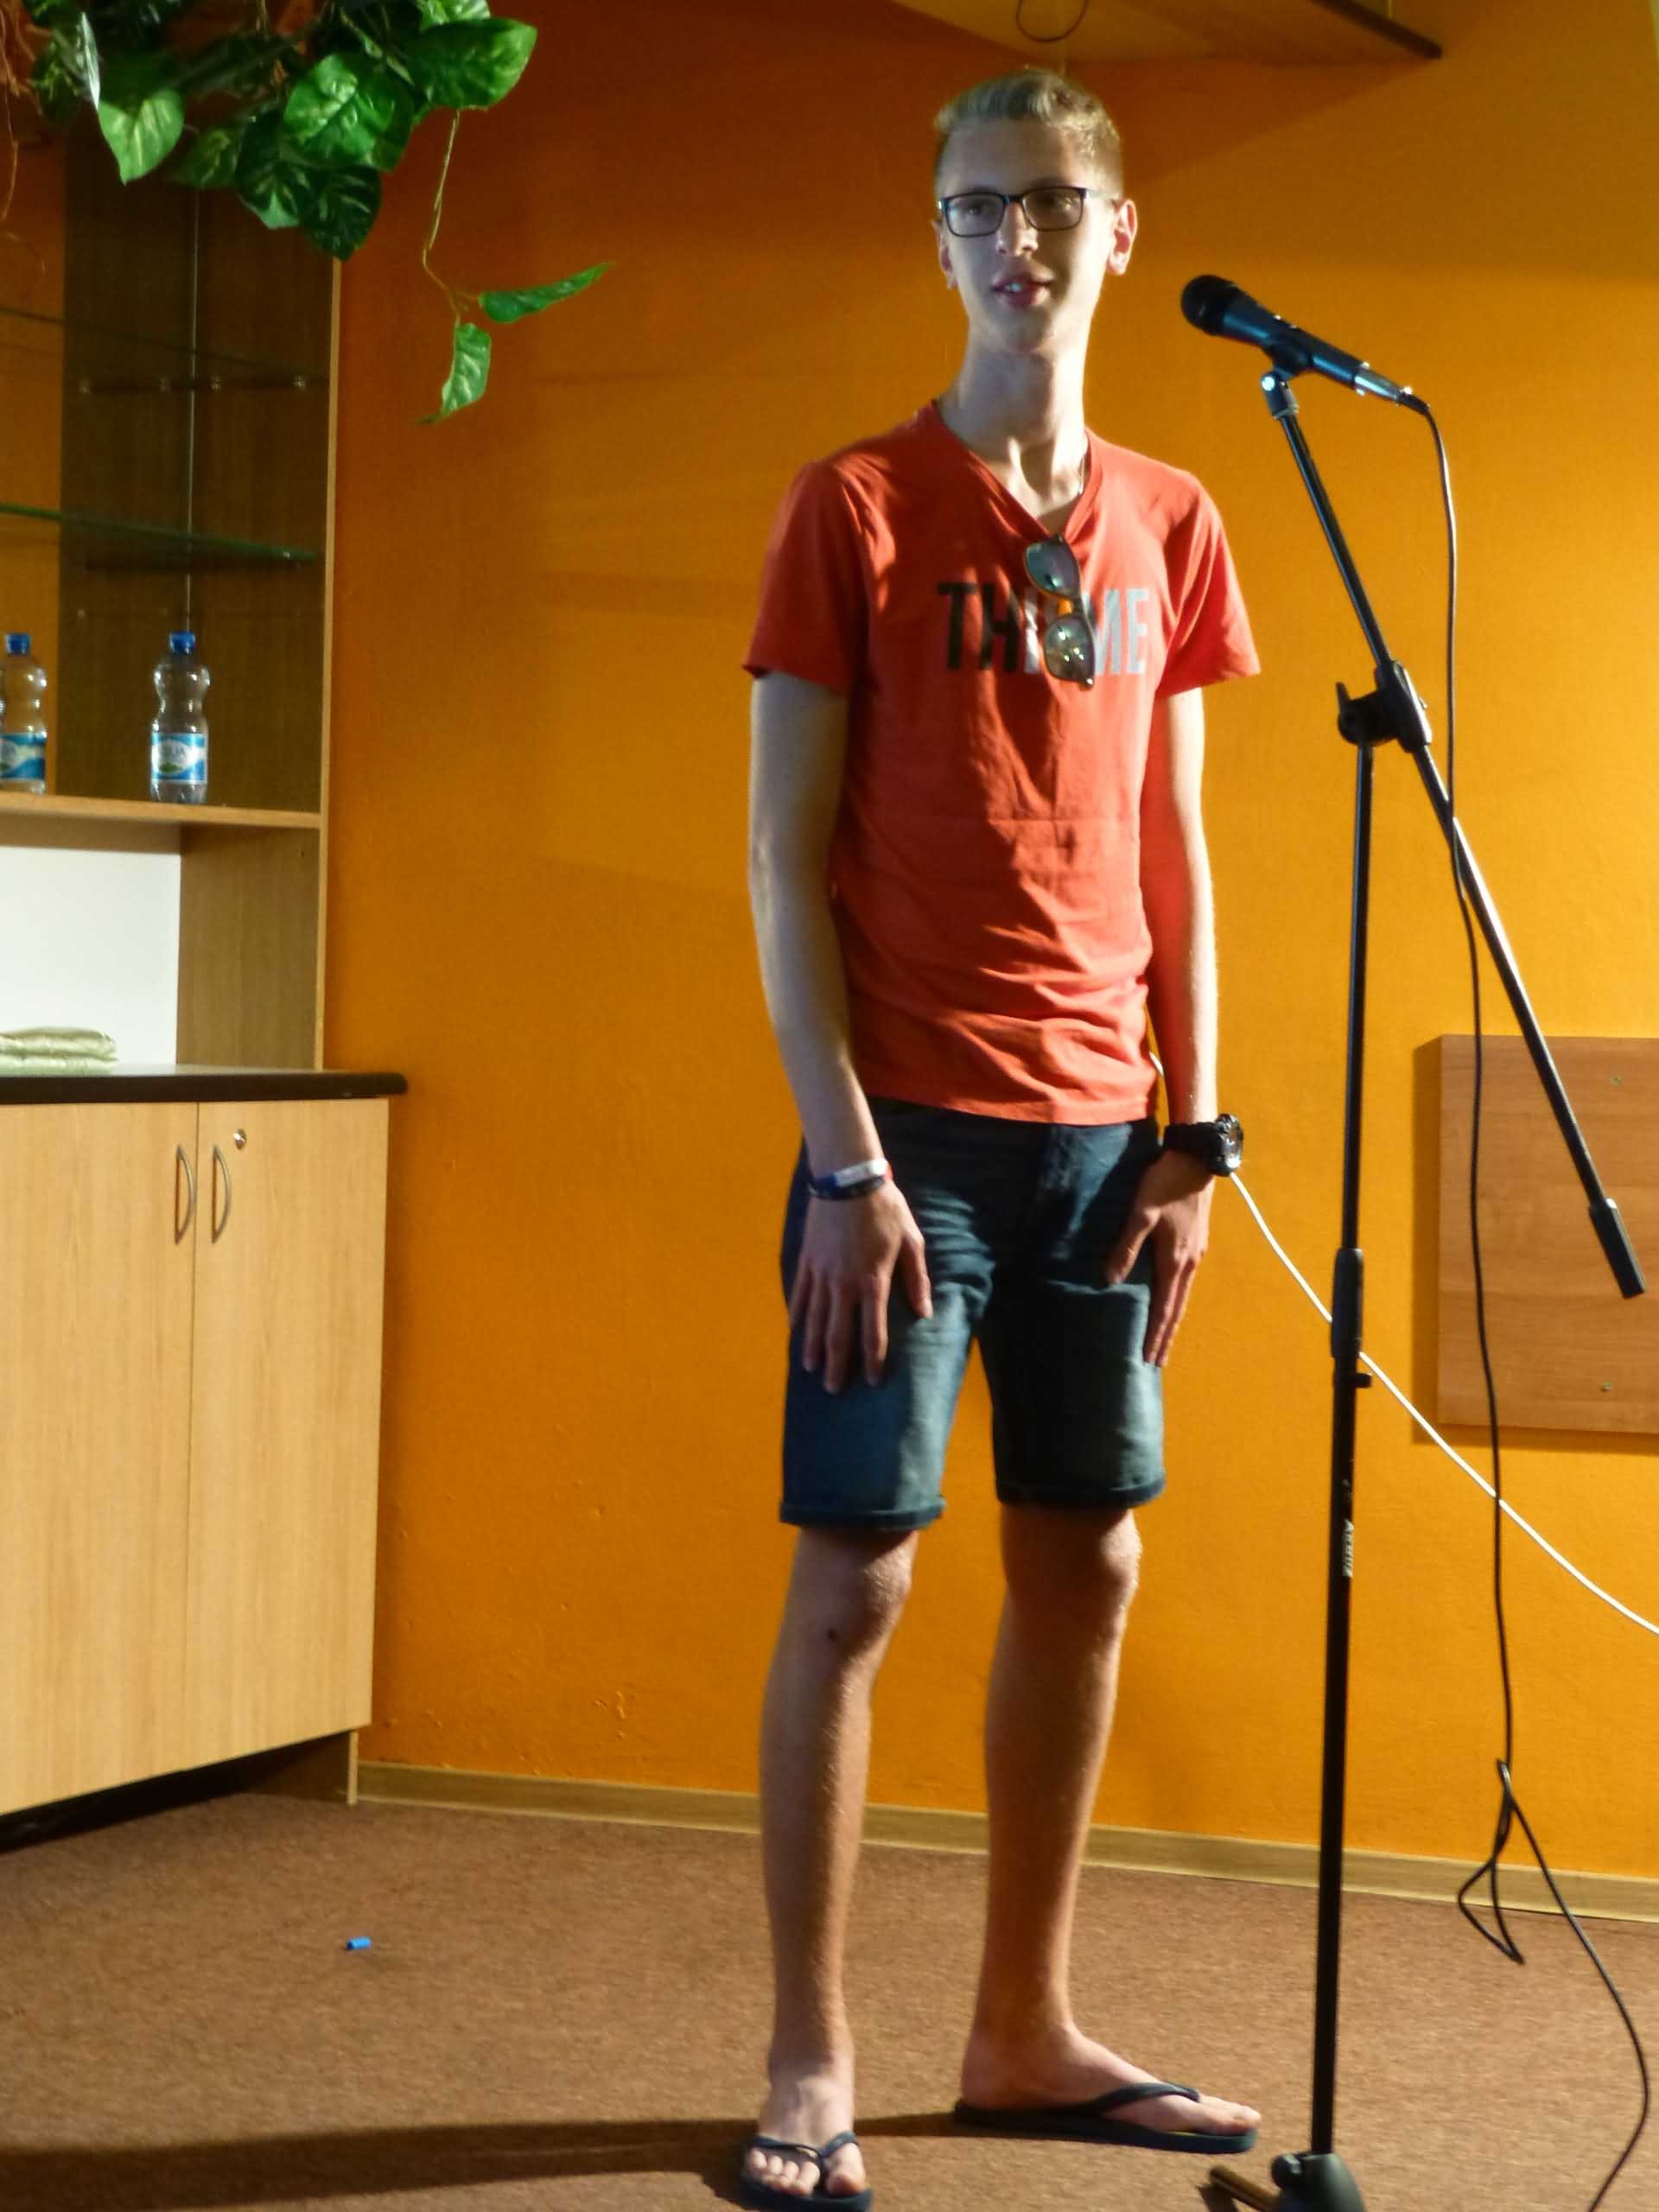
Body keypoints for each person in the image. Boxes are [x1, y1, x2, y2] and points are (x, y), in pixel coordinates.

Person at [739, 65, 1262, 2209]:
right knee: (859, 1575)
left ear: (1119, 230)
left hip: (1103, 1145)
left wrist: (1193, 1127)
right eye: (977, 205)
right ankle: (812, 2056)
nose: (1015, 237)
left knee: (1090, 1559)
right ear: (938, 234)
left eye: (1051, 200)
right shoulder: (856, 505)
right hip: (910, 1146)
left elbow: (1176, 845)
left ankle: (1023, 2028)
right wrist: (846, 1161)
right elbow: (780, 863)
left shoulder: (1173, 520)